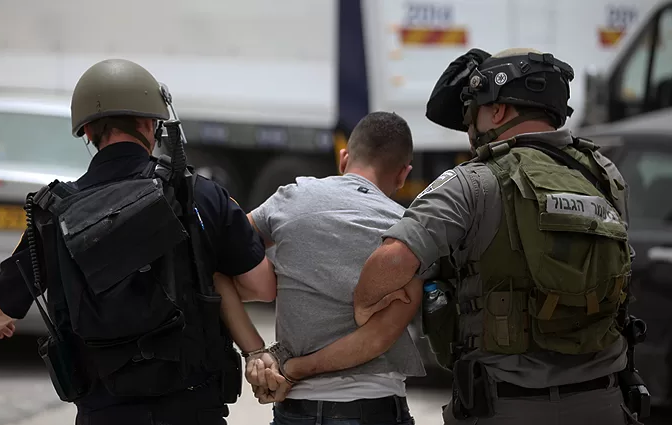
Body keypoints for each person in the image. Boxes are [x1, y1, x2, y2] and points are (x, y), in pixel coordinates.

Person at [352, 48, 645, 425]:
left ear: (499, 111)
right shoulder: (605, 176)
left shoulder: (472, 182)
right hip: (604, 403)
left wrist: (363, 305)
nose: (469, 128)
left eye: (471, 113)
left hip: (505, 407)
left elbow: (392, 260)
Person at [0, 58, 277, 425]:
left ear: (87, 132)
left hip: (104, 414)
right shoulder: (199, 195)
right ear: (151, 123)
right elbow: (263, 286)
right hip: (194, 410)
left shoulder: (55, 214)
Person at [221, 111, 426, 424]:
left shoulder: (290, 198)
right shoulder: (406, 230)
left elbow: (225, 256)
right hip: (375, 409)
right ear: (403, 175)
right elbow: (378, 337)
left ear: (343, 159)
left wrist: (256, 351)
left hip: (296, 412)